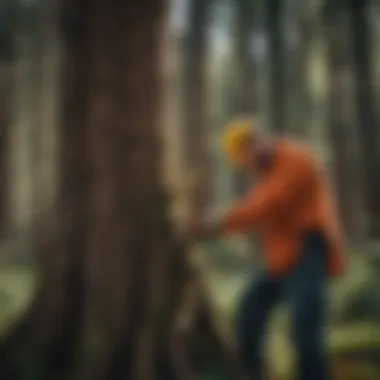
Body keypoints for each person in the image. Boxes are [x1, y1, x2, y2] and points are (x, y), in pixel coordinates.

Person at [188, 118, 345, 380]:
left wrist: (216, 223)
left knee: (305, 331)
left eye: (247, 151)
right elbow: (258, 206)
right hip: (279, 261)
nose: (248, 162)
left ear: (257, 140)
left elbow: (265, 205)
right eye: (242, 158)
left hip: (308, 253)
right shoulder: (266, 177)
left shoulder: (296, 158)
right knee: (249, 314)